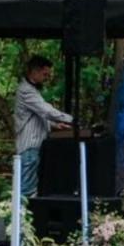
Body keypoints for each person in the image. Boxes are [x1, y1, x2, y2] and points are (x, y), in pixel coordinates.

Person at [15, 55, 73, 197]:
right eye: (45, 74)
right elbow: (45, 111)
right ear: (34, 71)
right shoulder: (26, 90)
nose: (47, 78)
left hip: (34, 146)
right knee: (26, 189)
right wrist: (71, 119)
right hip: (29, 145)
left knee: (29, 186)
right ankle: (21, 211)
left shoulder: (32, 90)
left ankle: (23, 210)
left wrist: (55, 125)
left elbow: (36, 116)